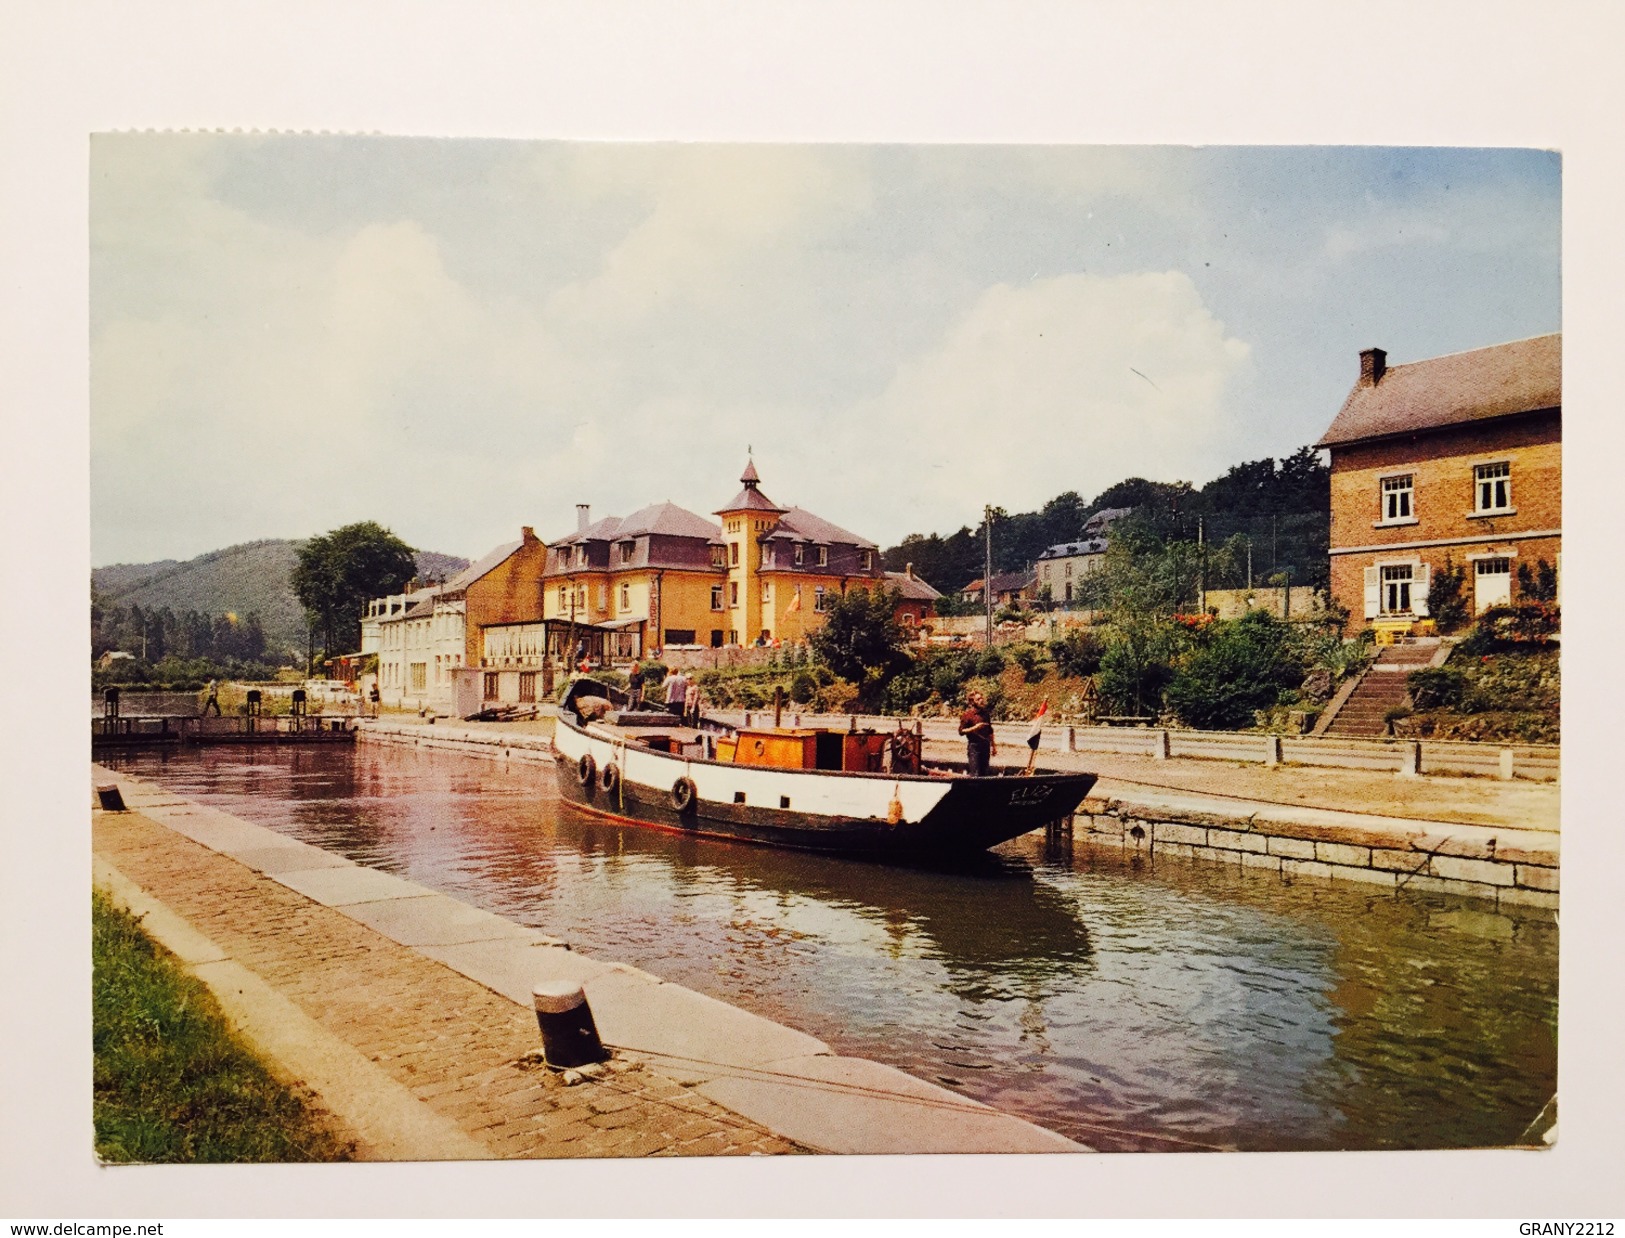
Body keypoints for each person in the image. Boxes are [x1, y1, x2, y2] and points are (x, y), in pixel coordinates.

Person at [959, 689, 996, 777]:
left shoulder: (986, 714)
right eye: (978, 699)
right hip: (974, 747)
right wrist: (975, 728)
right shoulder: (968, 715)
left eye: (981, 698)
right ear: (972, 702)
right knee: (975, 773)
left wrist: (993, 746)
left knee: (984, 773)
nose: (981, 700)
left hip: (985, 746)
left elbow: (990, 731)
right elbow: (961, 731)